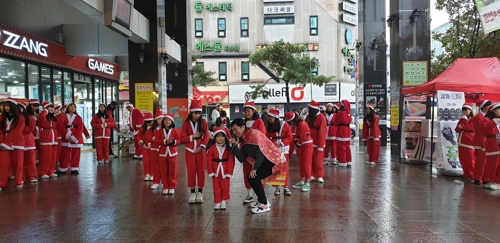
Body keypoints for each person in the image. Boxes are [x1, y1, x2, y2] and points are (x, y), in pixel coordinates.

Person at [230, 118, 282, 214]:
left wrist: (255, 168)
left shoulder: (253, 134)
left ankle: (264, 203)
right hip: (267, 161)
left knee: (254, 177)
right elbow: (242, 158)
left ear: (243, 127)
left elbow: (260, 152)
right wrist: (234, 146)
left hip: (274, 160)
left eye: (235, 129)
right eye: (232, 130)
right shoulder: (244, 140)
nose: (234, 132)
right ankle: (262, 200)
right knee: (251, 177)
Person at [180, 99, 210, 203]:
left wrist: (202, 146)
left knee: (201, 171)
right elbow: (181, 138)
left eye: (199, 113)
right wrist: (193, 136)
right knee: (191, 171)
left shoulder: (204, 123)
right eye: (195, 113)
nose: (197, 115)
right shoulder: (186, 123)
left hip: (200, 151)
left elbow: (207, 136)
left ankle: (200, 192)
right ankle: (192, 192)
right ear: (191, 113)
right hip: (190, 151)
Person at [266, 108, 293, 195]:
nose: (270, 121)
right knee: (275, 168)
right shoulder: (269, 126)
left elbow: (290, 137)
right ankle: (277, 187)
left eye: (271, 119)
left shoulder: (285, 125)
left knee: (285, 168)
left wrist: (281, 143)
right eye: (268, 119)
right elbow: (266, 138)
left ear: (276, 118)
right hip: (274, 150)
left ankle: (285, 187)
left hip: (284, 149)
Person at [207, 127, 235, 209]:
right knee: (216, 187)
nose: (220, 138)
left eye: (222, 136)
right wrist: (211, 171)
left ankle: (224, 201)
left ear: (225, 137)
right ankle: (217, 201)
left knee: (225, 187)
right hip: (215, 171)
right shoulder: (212, 148)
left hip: (225, 170)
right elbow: (209, 160)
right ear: (215, 138)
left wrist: (229, 172)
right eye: (218, 136)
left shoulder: (228, 148)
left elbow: (231, 160)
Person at [0, 98, 25, 189]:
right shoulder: (2, 117)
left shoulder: (20, 117)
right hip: (4, 141)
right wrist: (3, 142)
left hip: (17, 141)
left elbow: (18, 130)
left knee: (18, 163)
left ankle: (18, 181)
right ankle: (1, 183)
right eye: (5, 105)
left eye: (8, 105)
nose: (6, 107)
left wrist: (7, 142)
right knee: (3, 163)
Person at [58, 103, 89, 175]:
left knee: (76, 153)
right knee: (64, 153)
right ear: (67, 108)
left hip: (76, 136)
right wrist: (67, 136)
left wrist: (75, 138)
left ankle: (74, 168)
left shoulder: (78, 117)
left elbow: (80, 128)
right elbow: (61, 127)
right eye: (71, 106)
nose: (73, 108)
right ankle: (63, 168)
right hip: (66, 137)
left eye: (74, 106)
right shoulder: (63, 117)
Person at [286, 112, 313, 192]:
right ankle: (302, 181)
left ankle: (307, 183)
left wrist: (297, 145)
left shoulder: (302, 124)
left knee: (306, 164)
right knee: (302, 164)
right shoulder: (300, 124)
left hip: (306, 145)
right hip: (303, 145)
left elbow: (303, 137)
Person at [154, 113, 180, 195]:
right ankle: (165, 186)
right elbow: (156, 140)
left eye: (169, 120)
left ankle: (172, 186)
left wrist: (173, 141)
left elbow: (179, 140)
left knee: (173, 170)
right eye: (165, 120)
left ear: (172, 122)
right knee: (163, 170)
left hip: (172, 153)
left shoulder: (175, 131)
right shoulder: (159, 131)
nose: (167, 122)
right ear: (163, 122)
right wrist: (164, 141)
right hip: (162, 153)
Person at [472, 100, 492, 185]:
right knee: (481, 162)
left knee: (485, 162)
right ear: (483, 107)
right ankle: (478, 178)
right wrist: (483, 144)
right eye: (488, 106)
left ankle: (484, 178)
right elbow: (481, 132)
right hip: (481, 143)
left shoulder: (485, 116)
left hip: (484, 142)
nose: (490, 108)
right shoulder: (479, 117)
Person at [306, 100, 327, 183]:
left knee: (318, 160)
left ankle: (319, 175)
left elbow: (322, 132)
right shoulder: (309, 117)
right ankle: (311, 174)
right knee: (310, 159)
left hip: (318, 142)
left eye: (309, 108)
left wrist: (320, 145)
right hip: (310, 141)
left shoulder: (321, 117)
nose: (307, 110)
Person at [37, 101, 58, 179]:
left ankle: (50, 170)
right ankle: (43, 172)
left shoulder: (52, 117)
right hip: (46, 137)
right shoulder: (42, 116)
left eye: (52, 107)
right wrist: (45, 111)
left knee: (53, 156)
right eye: (49, 107)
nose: (51, 109)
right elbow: (41, 119)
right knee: (45, 156)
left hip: (53, 137)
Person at [481, 104, 500, 190]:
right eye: (498, 109)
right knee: (492, 164)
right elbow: (484, 130)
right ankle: (492, 180)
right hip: (492, 143)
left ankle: (497, 182)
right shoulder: (487, 119)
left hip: (497, 143)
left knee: (498, 164)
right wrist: (496, 121)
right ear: (493, 111)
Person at [455, 103, 475, 180]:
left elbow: (468, 127)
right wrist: (462, 126)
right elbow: (457, 129)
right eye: (463, 110)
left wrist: (463, 125)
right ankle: (466, 173)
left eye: (466, 110)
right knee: (462, 158)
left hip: (470, 141)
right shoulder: (462, 118)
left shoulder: (473, 119)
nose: (464, 111)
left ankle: (472, 174)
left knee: (470, 159)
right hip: (461, 141)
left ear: (470, 110)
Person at [18, 102, 37, 184]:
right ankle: (21, 177)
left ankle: (32, 176)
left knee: (31, 160)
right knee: (20, 161)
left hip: (29, 142)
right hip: (18, 142)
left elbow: (30, 129)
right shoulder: (14, 118)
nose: (19, 110)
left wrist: (19, 129)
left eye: (21, 108)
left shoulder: (29, 118)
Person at [138, 112, 156, 188]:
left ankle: (152, 174)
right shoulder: (142, 128)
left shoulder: (155, 129)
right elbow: (139, 136)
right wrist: (141, 142)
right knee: (146, 160)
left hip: (152, 147)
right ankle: (147, 173)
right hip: (145, 146)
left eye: (150, 122)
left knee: (153, 160)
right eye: (147, 122)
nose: (149, 123)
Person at [147, 108, 164, 182]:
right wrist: (154, 139)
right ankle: (156, 181)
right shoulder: (152, 129)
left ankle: (164, 182)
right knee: (155, 166)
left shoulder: (165, 129)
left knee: (163, 166)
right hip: (154, 150)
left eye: (162, 119)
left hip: (163, 150)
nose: (161, 120)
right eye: (159, 119)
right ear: (156, 120)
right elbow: (148, 139)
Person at [335, 100, 353, 167]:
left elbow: (336, 121)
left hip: (341, 130)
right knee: (347, 147)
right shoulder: (349, 112)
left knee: (341, 147)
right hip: (347, 130)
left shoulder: (340, 112)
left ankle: (342, 162)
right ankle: (349, 161)